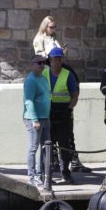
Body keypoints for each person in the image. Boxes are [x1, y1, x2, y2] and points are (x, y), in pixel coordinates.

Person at [43, 47, 79, 184]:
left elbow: (74, 95)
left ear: (62, 60)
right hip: (48, 112)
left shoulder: (67, 74)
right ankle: (49, 174)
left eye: (59, 59)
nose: (57, 62)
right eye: (54, 59)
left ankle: (65, 172)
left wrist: (69, 110)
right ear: (50, 60)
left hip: (63, 113)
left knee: (64, 145)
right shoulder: (44, 74)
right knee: (48, 145)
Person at [23, 54, 51, 187]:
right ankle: (32, 175)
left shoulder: (44, 79)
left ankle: (42, 175)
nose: (42, 65)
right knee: (34, 148)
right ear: (32, 65)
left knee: (46, 147)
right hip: (34, 119)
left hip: (45, 118)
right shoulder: (31, 80)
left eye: (43, 62)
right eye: (38, 63)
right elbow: (29, 101)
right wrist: (34, 119)